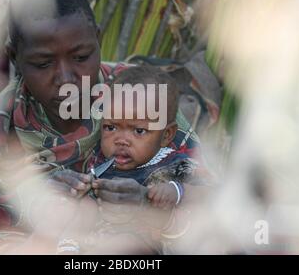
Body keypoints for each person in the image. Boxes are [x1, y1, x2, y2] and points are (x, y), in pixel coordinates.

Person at [0, 0, 211, 254]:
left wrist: (148, 204)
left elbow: (212, 199)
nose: (66, 79)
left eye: (81, 57)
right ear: (15, 58)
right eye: (43, 64)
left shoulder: (140, 94)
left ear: (98, 40)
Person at [56, 66, 198, 254]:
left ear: (166, 135)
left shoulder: (174, 164)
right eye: (110, 127)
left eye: (138, 131)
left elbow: (210, 194)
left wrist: (176, 190)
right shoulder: (99, 159)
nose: (121, 140)